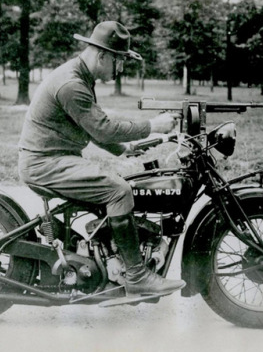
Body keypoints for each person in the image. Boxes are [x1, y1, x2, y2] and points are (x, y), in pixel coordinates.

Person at [18, 21, 185, 297]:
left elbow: (88, 125)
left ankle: (108, 257)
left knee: (118, 184)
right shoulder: (72, 83)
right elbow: (102, 128)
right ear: (102, 55)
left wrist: (124, 149)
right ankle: (137, 276)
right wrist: (153, 125)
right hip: (44, 164)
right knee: (119, 191)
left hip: (53, 159)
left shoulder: (80, 76)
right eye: (119, 62)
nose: (119, 71)